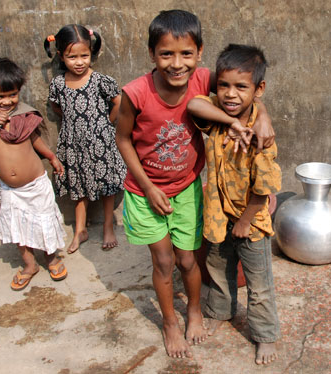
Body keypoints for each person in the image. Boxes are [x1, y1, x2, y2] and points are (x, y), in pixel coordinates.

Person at [115, 10, 275, 358]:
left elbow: (248, 86)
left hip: (186, 188)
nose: (176, 64)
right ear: (152, 54)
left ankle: (194, 310)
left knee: (188, 261)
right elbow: (123, 140)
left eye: (186, 54)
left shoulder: (205, 79)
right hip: (144, 190)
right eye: (166, 54)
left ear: (199, 52)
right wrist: (149, 187)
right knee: (163, 262)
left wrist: (263, 116)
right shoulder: (136, 93)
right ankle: (170, 323)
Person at [187, 44, 281, 365]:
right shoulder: (217, 116)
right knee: (218, 268)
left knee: (259, 282)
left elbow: (265, 186)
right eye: (223, 85)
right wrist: (230, 123)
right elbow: (194, 104)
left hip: (250, 220)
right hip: (217, 215)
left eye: (241, 87)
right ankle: (221, 311)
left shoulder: (262, 135)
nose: (230, 94)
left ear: (259, 89)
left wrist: (245, 220)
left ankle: (265, 335)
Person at [0, 57, 67, 291]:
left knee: (44, 222)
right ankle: (29, 265)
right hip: (11, 190)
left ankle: (51, 258)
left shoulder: (24, 114)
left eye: (12, 95)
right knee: (18, 228)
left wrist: (51, 157)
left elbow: (35, 139)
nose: (7, 102)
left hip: (36, 184)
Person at [45, 24, 127, 253]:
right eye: (72, 57)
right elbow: (56, 107)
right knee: (79, 187)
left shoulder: (100, 80)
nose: (79, 62)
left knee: (106, 186)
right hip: (73, 144)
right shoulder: (58, 84)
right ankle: (80, 228)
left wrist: (105, 123)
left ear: (92, 53)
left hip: (100, 142)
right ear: (61, 56)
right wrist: (74, 125)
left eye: (84, 55)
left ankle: (108, 225)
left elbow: (118, 103)